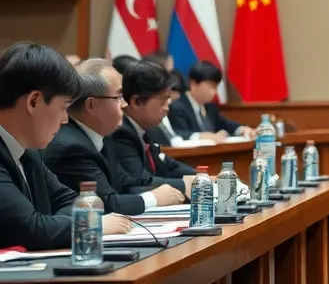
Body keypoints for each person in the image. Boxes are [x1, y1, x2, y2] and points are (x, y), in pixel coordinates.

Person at [0, 42, 131, 248]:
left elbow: (74, 201)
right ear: (33, 101)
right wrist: (91, 224)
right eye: (63, 108)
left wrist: (60, 223)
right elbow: (31, 229)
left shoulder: (29, 152)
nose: (65, 120)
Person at [43, 59, 184, 213]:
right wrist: (153, 198)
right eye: (118, 97)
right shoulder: (71, 147)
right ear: (91, 105)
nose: (124, 104)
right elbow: (104, 203)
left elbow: (126, 185)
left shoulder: (105, 137)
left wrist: (167, 192)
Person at [111, 59, 196, 195]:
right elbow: (141, 179)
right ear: (136, 101)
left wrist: (202, 176)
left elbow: (168, 165)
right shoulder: (121, 132)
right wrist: (192, 184)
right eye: (162, 101)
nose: (167, 108)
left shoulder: (147, 127)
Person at [168, 62, 254, 141]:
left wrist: (241, 129)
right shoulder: (177, 107)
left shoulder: (211, 107)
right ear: (193, 83)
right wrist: (201, 136)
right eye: (211, 86)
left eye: (216, 87)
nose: (215, 92)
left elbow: (225, 124)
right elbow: (177, 133)